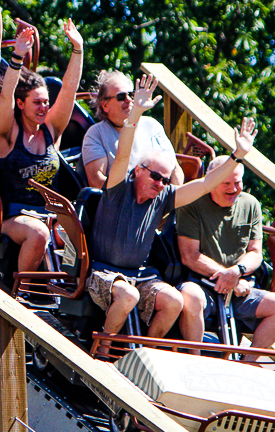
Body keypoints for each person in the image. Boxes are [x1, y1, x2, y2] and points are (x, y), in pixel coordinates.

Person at [86, 76, 258, 347]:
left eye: (165, 180)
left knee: (174, 300)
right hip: (104, 273)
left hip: (139, 275)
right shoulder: (118, 187)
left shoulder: (163, 196)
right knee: (129, 296)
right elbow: (122, 156)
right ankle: (102, 351)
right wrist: (136, 114)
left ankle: (144, 352)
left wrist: (237, 156)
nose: (160, 184)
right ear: (138, 171)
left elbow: (205, 185)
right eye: (155, 177)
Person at [176, 155, 275, 360]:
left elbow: (255, 252)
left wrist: (237, 272)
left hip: (240, 287)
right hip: (202, 283)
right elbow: (190, 256)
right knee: (190, 296)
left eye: (237, 183)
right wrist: (228, 277)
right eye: (226, 183)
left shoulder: (251, 204)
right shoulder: (192, 204)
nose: (233, 189)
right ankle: (194, 358)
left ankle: (247, 364)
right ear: (211, 180)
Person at [0, 21, 83, 273]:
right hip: (13, 217)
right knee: (38, 232)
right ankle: (23, 288)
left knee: (80, 230)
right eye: (37, 103)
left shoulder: (51, 131)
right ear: (21, 104)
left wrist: (78, 49)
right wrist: (17, 57)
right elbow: (6, 96)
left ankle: (66, 289)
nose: (44, 107)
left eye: (46, 102)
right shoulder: (8, 134)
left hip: (51, 215)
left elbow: (69, 90)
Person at [82, 69, 184, 189]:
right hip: (121, 198)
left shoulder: (152, 126)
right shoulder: (96, 134)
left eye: (131, 95)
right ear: (105, 105)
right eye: (121, 96)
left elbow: (175, 170)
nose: (129, 100)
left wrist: (173, 197)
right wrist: (135, 194)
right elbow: (97, 181)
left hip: (159, 195)